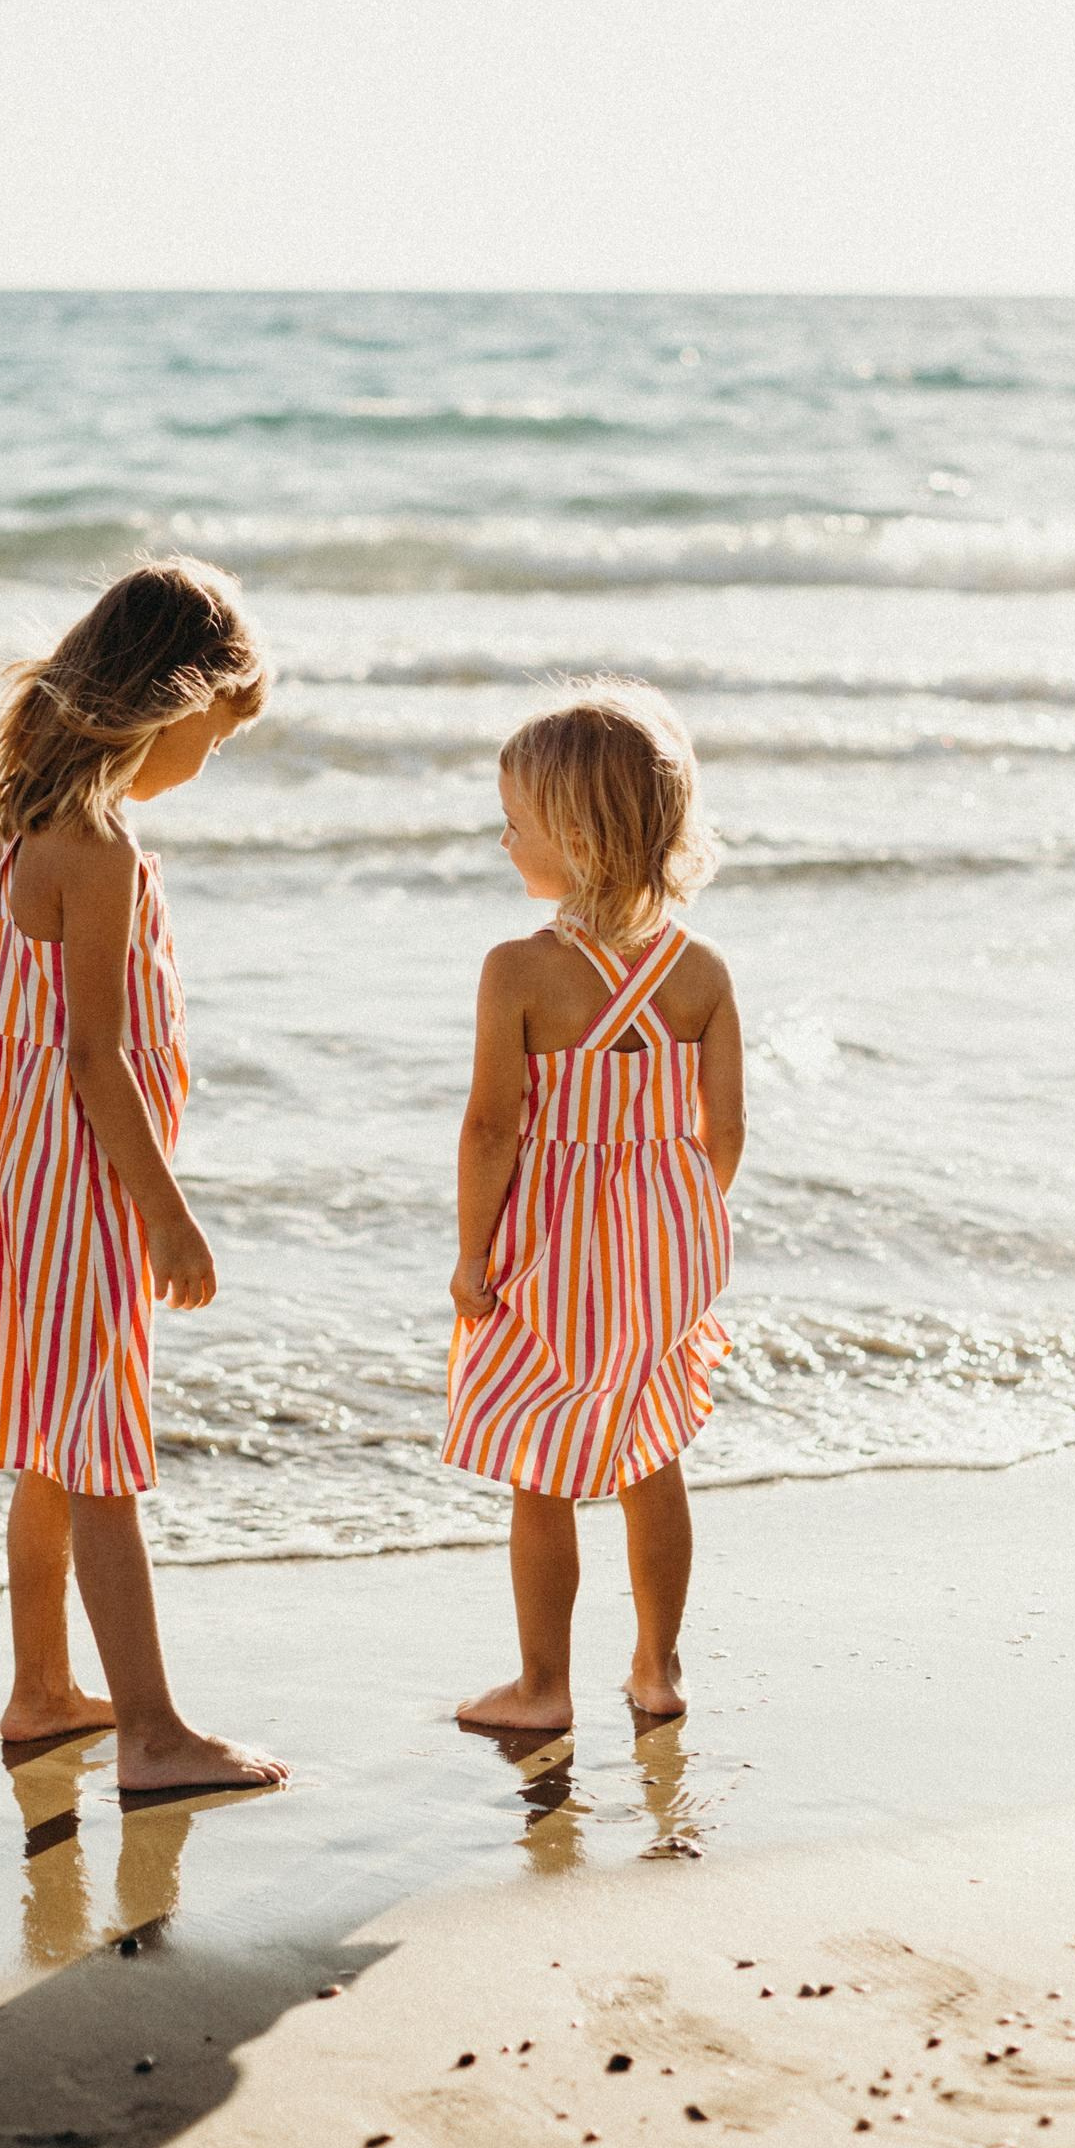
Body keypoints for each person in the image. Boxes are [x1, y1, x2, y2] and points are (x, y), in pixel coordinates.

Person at [0, 557, 287, 1796]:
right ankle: (149, 1730)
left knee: (54, 1434)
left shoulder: (33, 821)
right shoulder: (100, 849)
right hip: (70, 1184)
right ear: (169, 701)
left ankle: (39, 1690)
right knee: (97, 1448)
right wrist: (169, 1218)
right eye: (219, 734)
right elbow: (90, 1060)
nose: (212, 759)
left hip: (7, 1178)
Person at [442, 680, 743, 1732]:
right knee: (650, 1453)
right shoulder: (699, 969)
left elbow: (492, 1130)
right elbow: (725, 1132)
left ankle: (542, 1687)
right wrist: (673, 1228)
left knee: (543, 1464)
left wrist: (472, 1263)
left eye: (514, 823)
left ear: (572, 836)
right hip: (667, 1247)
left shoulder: (520, 971)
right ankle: (657, 1672)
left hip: (548, 1252)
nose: (502, 838)